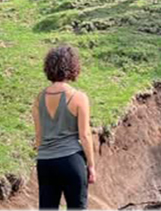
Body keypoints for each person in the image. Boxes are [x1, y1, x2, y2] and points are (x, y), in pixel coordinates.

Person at [32, 45, 96, 209]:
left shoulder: (39, 98)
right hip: (71, 161)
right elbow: (85, 135)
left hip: (45, 162)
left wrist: (45, 155)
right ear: (72, 67)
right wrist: (91, 165)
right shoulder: (78, 97)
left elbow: (38, 136)